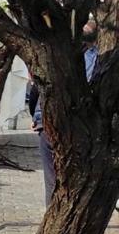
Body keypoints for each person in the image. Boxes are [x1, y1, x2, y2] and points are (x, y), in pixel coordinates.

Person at [31, 18, 98, 205]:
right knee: (76, 180)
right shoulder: (100, 59)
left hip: (52, 123)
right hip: (79, 127)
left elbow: (38, 87)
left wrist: (37, 117)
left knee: (53, 180)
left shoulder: (56, 53)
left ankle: (55, 217)